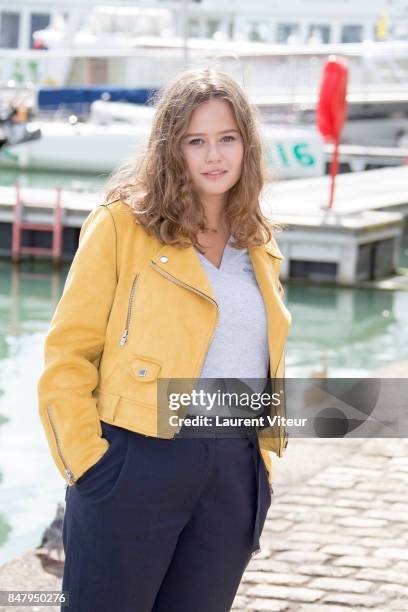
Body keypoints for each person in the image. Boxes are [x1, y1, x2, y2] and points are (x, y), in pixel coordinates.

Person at [37, 67, 292, 612]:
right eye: (195, 141)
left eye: (227, 138)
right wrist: (89, 465)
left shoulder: (261, 244)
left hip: (233, 469)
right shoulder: (121, 226)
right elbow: (68, 354)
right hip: (134, 461)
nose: (213, 155)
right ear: (170, 149)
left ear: (246, 144)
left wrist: (258, 471)